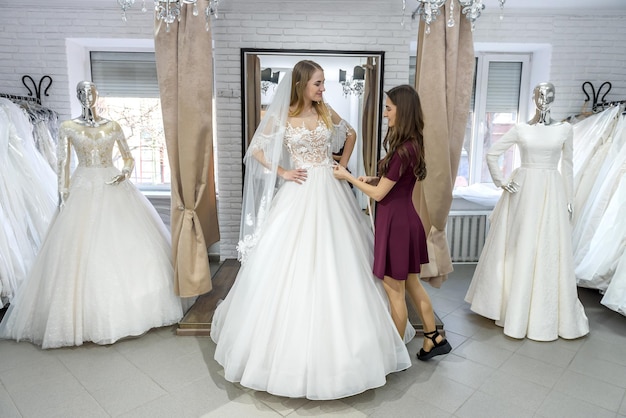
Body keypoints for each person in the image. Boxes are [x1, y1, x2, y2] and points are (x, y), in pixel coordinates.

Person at [210, 60, 413, 400]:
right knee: (290, 263)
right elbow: (256, 150)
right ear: (302, 83)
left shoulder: (324, 110)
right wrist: (283, 172)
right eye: (318, 84)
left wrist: (343, 164)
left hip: (330, 189)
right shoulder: (282, 116)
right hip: (299, 189)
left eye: (323, 84)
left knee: (341, 259)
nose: (322, 89)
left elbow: (351, 133)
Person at [0, 81, 183, 348]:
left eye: (91, 91)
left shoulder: (113, 125)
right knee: (79, 247)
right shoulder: (68, 127)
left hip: (114, 183)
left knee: (129, 243)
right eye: (82, 92)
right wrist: (63, 193)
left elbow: (128, 157)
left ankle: (138, 306)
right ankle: (79, 317)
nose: (87, 96)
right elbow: (63, 162)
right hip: (82, 185)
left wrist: (126, 172)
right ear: (77, 96)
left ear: (97, 95)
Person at [333, 84, 452, 361]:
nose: (385, 114)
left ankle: (394, 356)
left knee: (394, 290)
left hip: (397, 227)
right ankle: (434, 338)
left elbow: (378, 195)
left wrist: (348, 176)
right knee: (411, 285)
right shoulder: (410, 145)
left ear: (402, 111)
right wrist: (373, 178)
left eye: (388, 109)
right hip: (405, 222)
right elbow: (394, 184)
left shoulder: (402, 150)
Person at [464, 82, 589, 341]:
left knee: (547, 246)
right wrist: (501, 181)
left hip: (552, 191)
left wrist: (569, 198)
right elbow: (492, 154)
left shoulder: (565, 129)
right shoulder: (521, 129)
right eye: (540, 93)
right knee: (520, 245)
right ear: (533, 97)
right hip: (523, 191)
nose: (545, 98)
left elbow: (567, 166)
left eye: (550, 94)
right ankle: (513, 307)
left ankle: (542, 313)